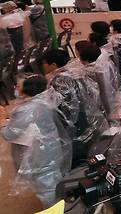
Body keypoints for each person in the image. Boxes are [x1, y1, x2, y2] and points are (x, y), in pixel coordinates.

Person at [0, 74, 72, 207]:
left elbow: (9, 134)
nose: (15, 87)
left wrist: (2, 120)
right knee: (53, 181)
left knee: (46, 187)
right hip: (51, 148)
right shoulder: (44, 100)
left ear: (28, 89)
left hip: (38, 156)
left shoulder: (26, 109)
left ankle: (55, 208)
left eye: (18, 85)